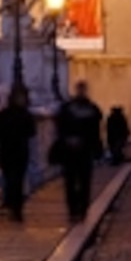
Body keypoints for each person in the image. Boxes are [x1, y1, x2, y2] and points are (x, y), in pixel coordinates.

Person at [52, 81, 103, 223]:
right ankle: (75, 209)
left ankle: (80, 208)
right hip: (74, 151)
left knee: (82, 181)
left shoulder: (68, 109)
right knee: (73, 181)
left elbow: (96, 132)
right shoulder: (91, 109)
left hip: (82, 151)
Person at [0, 88, 35, 221]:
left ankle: (12, 205)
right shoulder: (25, 114)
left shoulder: (3, 115)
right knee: (17, 180)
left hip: (7, 151)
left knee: (10, 179)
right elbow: (32, 132)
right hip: (19, 151)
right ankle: (16, 208)